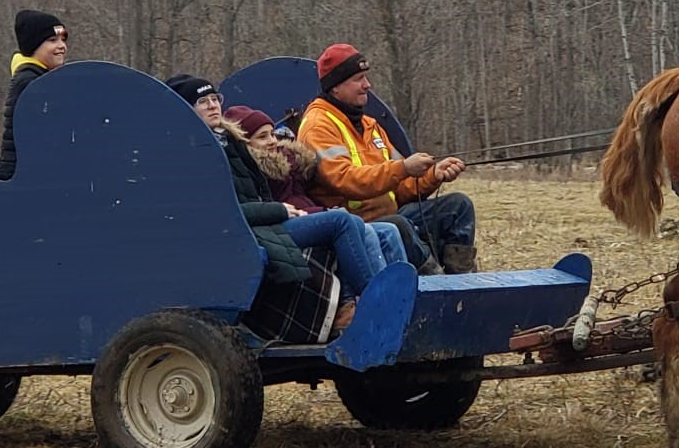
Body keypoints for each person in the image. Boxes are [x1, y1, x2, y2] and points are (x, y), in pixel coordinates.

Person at [168, 74, 391, 332]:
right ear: (185, 110)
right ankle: (376, 303)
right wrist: (280, 210)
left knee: (358, 224)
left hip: (265, 224)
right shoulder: (195, 156)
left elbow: (258, 195)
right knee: (342, 222)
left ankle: (354, 306)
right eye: (202, 102)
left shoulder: (231, 143)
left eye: (214, 99)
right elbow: (223, 214)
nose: (212, 105)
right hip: (244, 233)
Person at [296, 43, 479, 273]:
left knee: (458, 206)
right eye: (359, 79)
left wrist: (434, 175)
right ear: (335, 87)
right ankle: (434, 287)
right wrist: (403, 167)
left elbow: (401, 188)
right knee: (398, 225)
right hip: (355, 226)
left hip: (390, 215)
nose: (367, 85)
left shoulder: (370, 126)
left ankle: (462, 285)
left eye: (366, 77)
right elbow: (344, 179)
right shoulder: (318, 126)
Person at [229, 104, 408, 273]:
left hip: (309, 212)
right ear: (244, 142)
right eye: (262, 137)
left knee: (389, 230)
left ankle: (402, 291)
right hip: (287, 220)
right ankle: (370, 293)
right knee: (357, 227)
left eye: (272, 134)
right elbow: (279, 204)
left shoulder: (292, 161)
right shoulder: (257, 168)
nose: (272, 141)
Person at [0, 9, 68, 181]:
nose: (61, 45)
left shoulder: (42, 78)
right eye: (52, 40)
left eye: (63, 39)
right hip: (22, 177)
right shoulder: (31, 82)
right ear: (33, 46)